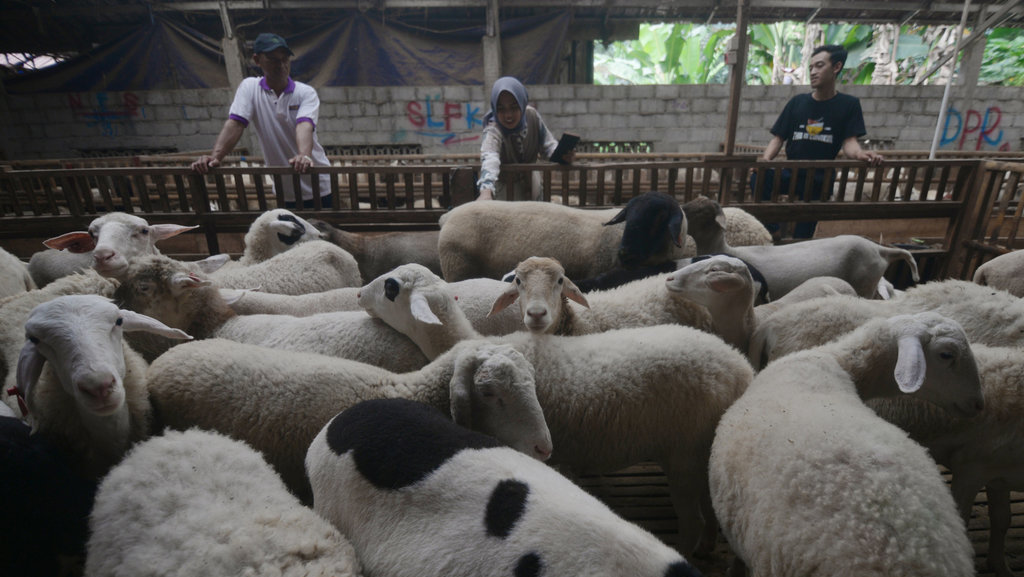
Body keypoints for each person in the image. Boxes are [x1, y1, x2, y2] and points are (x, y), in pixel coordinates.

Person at [191, 32, 331, 209]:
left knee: (322, 234)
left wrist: (304, 155)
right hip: (284, 188)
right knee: (290, 235)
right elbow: (236, 123)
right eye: (272, 59)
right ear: (257, 60)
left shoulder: (305, 93)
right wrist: (215, 157)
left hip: (318, 184)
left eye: (284, 59)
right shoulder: (250, 88)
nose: (280, 65)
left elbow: (304, 125)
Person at [756, 44, 883, 238]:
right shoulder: (797, 103)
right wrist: (765, 161)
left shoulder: (848, 105)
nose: (813, 72)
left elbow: (849, 141)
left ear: (836, 67)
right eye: (811, 68)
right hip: (791, 173)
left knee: (802, 236)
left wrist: (860, 154)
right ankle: (773, 230)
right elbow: (778, 138)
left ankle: (801, 246)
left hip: (819, 180)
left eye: (819, 66)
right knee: (759, 178)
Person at [476, 76, 575, 201]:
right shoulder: (493, 129)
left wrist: (563, 155)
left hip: (532, 184)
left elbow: (548, 146)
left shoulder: (532, 116)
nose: (508, 115)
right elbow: (490, 158)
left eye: (514, 107)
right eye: (501, 109)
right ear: (495, 109)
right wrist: (486, 191)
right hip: (505, 189)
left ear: (522, 103)